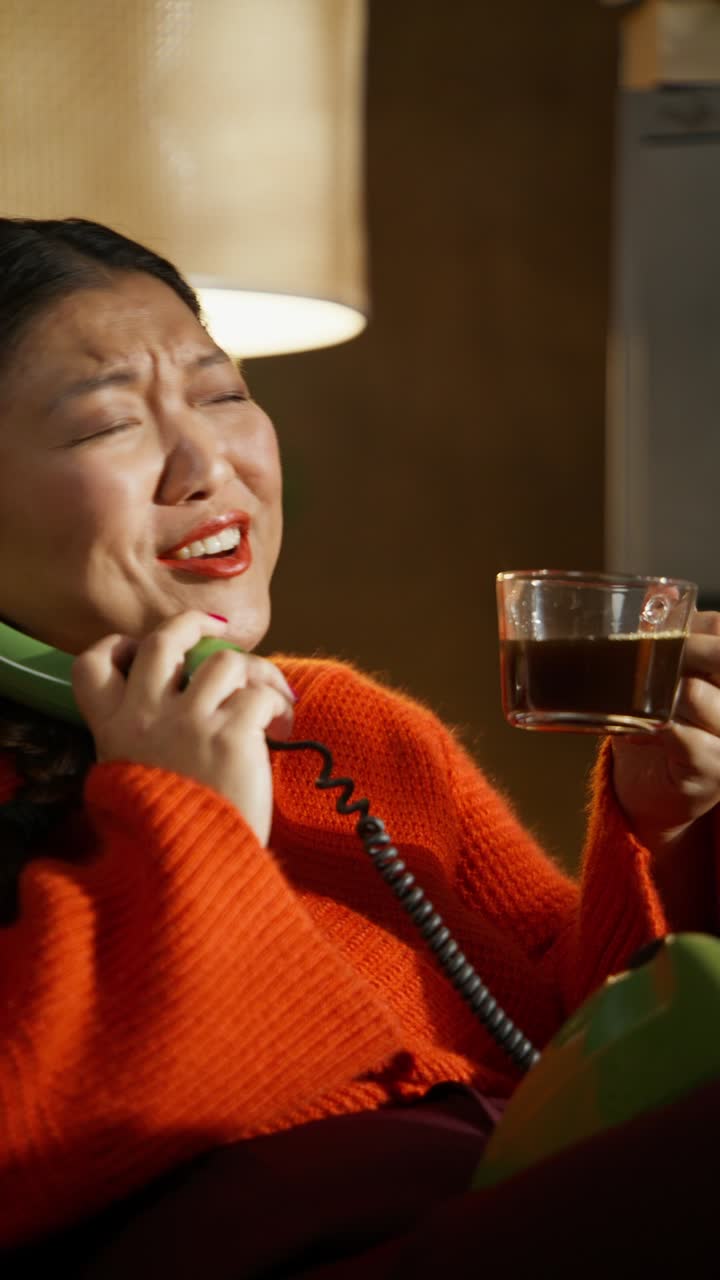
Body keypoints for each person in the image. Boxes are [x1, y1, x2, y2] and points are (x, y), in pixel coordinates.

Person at [0, 216, 718, 1277]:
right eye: (108, 424)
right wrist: (187, 825)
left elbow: (579, 1054)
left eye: (221, 393)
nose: (208, 465)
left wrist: (672, 830)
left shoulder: (341, 725)